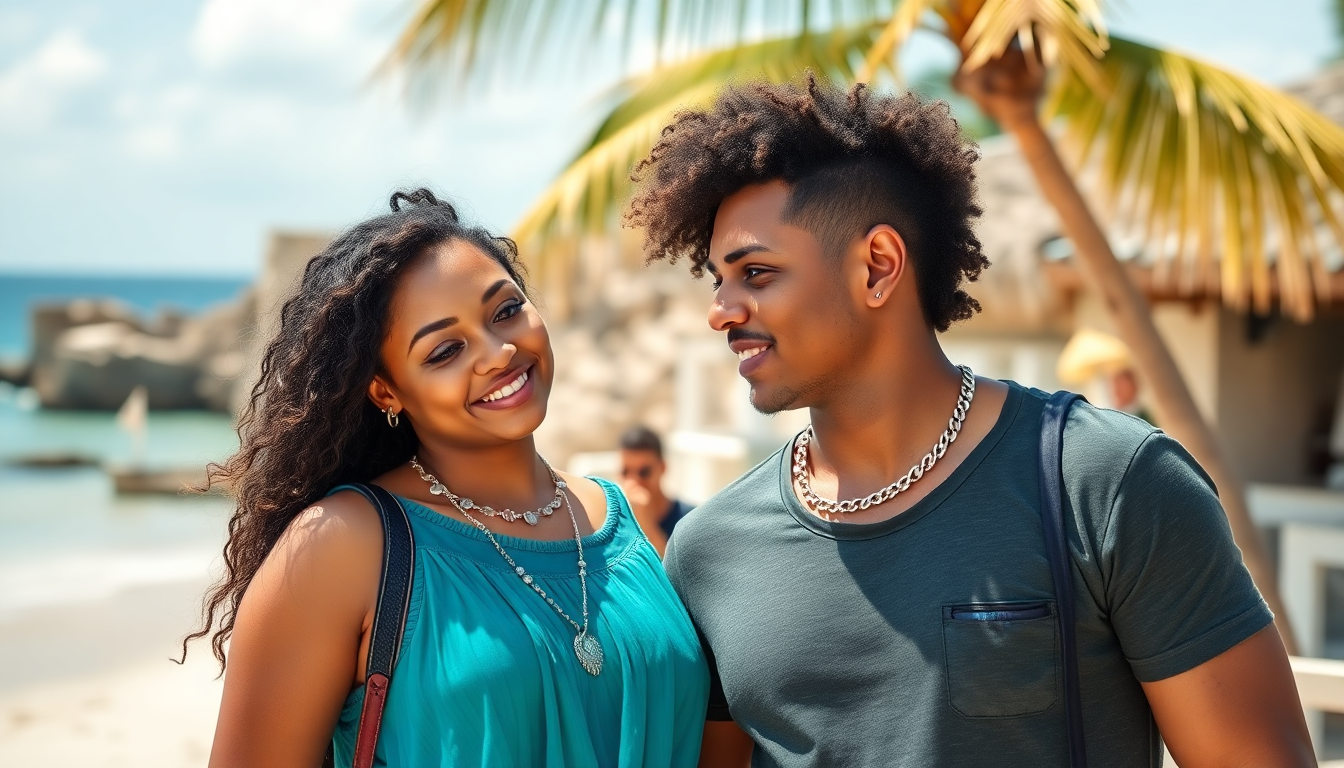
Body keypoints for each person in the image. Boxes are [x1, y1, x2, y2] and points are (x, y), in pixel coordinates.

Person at [623, 76, 1314, 767]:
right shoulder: (710, 551)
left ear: (878, 267)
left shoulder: (1107, 486)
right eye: (717, 279)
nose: (720, 311)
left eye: (756, 273)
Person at [189, 189, 708, 767]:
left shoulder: (622, 519)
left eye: (505, 311)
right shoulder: (342, 546)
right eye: (444, 351)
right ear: (386, 391)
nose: (498, 352)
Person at [617, 425, 693, 556]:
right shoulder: (613, 523)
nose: (633, 481)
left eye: (644, 472)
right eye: (625, 472)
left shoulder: (689, 519)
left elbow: (669, 568)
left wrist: (647, 524)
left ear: (662, 468)